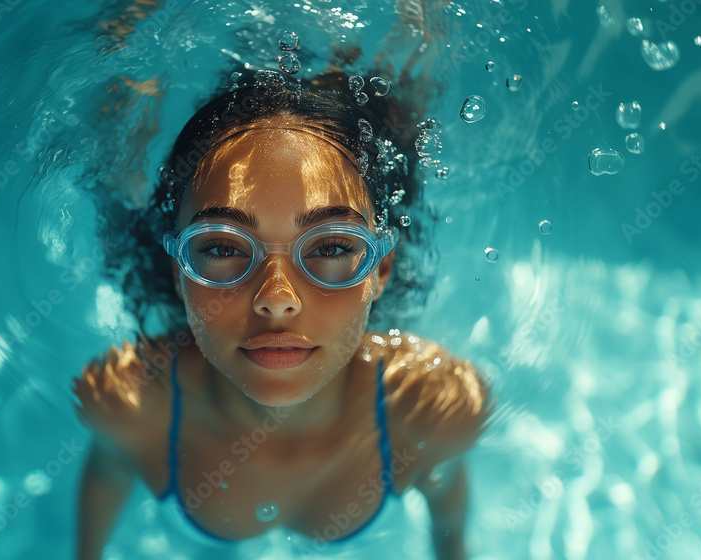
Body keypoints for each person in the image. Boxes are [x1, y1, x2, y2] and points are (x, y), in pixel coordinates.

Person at [71, 63, 492, 560]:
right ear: (178, 271)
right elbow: (106, 476)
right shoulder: (131, 406)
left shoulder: (430, 409)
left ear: (381, 270)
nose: (276, 296)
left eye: (332, 246)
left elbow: (449, 506)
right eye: (224, 247)